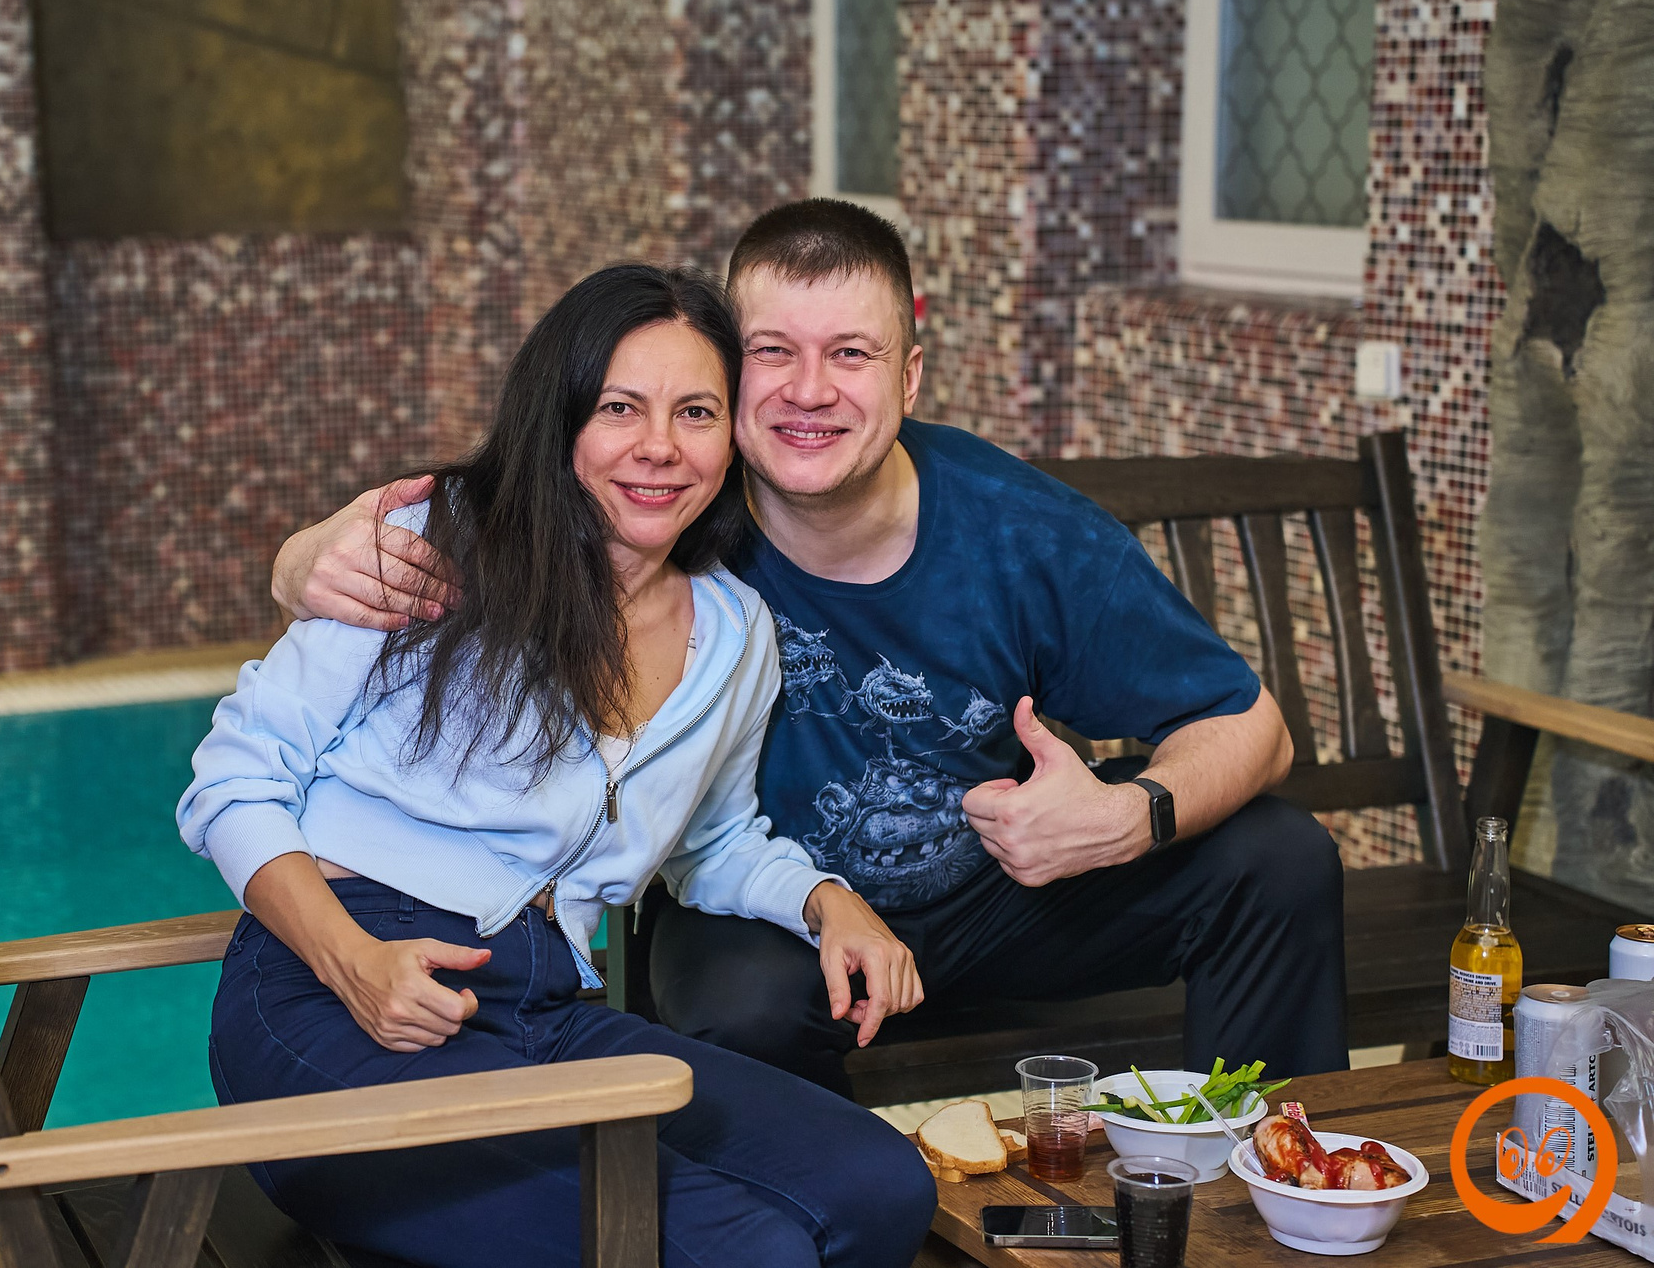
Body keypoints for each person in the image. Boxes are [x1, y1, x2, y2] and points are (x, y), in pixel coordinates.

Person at [273, 201, 1351, 1097]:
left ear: (910, 378)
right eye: (772, 352)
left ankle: (1267, 1182)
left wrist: (1128, 816)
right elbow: (512, 505)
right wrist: (301, 561)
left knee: (1279, 858)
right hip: (769, 912)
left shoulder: (1026, 534)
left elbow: (1253, 727)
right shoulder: (667, 512)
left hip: (1002, 895)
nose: (809, 390)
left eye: (851, 353)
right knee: (736, 1009)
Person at [179, 263, 935, 1268]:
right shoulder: (430, 548)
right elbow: (233, 778)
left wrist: (827, 901)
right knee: (746, 1248)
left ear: (733, 435)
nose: (660, 446)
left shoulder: (732, 629)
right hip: (341, 1000)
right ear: (561, 417)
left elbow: (712, 843)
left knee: (882, 1187)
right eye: (620, 407)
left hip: (544, 1006)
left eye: (696, 411)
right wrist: (350, 960)